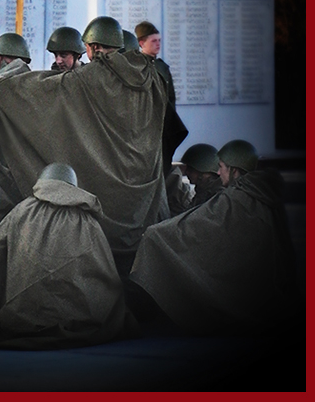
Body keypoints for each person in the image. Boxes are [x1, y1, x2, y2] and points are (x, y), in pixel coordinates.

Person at [0, 15, 170, 276]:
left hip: (108, 194)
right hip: (144, 193)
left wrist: (3, 86)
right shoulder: (152, 78)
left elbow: (45, 90)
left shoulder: (90, 77)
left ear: (91, 48)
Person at [0, 163, 138, 349]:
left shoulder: (22, 212)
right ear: (72, 184)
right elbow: (105, 273)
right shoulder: (88, 221)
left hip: (19, 322)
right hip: (80, 322)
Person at [127, 139, 303, 336]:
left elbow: (201, 223)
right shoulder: (262, 193)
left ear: (234, 170)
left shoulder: (237, 197)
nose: (218, 173)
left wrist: (157, 234)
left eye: (221, 167)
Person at [135, 20, 188, 176]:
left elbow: (171, 99)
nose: (158, 44)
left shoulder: (162, 68)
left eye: (159, 40)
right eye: (154, 41)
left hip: (163, 131)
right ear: (141, 43)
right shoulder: (136, 68)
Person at [180, 142, 223, 207]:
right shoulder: (203, 191)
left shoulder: (218, 196)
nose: (186, 172)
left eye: (191, 169)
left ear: (203, 171)